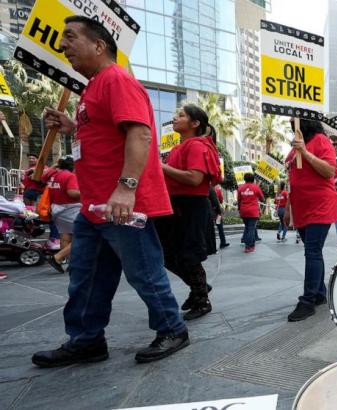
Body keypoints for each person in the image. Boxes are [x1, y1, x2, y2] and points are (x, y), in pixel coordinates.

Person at [33, 15, 188, 367]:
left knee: (144, 271)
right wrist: (72, 125)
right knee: (85, 277)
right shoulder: (91, 88)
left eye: (70, 37)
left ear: (99, 45)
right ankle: (86, 339)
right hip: (93, 206)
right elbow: (103, 137)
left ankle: (172, 328)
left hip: (121, 204)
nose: (63, 45)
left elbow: (140, 134)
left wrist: (126, 188)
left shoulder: (116, 80)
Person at [157, 104, 221, 320]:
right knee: (168, 255)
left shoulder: (197, 146)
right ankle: (199, 288)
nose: (174, 118)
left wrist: (161, 167)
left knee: (188, 256)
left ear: (195, 124)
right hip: (176, 205)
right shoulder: (179, 147)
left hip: (190, 206)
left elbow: (194, 179)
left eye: (181, 116)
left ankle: (201, 299)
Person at [284, 117, 337, 321]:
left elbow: (329, 171)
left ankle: (307, 301)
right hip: (302, 207)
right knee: (314, 251)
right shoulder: (296, 144)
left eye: (294, 118)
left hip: (319, 205)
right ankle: (320, 294)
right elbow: (293, 179)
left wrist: (305, 152)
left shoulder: (320, 140)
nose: (291, 121)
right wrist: (289, 209)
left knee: (312, 251)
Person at [45, 156, 81, 274]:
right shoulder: (70, 176)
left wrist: (54, 167)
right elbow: (72, 192)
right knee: (82, 235)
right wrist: (88, 193)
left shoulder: (54, 175)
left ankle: (72, 264)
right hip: (71, 208)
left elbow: (42, 177)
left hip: (56, 208)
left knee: (65, 237)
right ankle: (57, 257)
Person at [237, 173, 264, 253]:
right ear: (253, 179)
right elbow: (262, 199)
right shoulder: (256, 187)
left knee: (248, 227)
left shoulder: (240, 188)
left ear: (244, 179)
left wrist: (239, 209)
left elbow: (239, 200)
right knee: (251, 228)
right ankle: (249, 246)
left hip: (243, 211)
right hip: (253, 211)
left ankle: (246, 241)